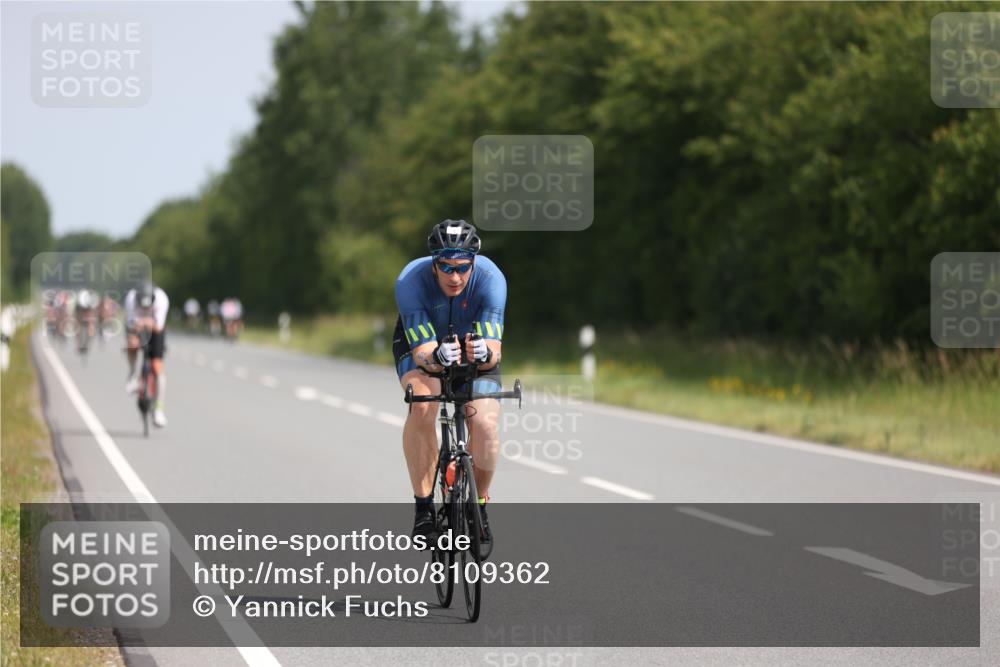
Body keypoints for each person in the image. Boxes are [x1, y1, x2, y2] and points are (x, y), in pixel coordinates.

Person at [394, 219, 506, 552]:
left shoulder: (491, 279)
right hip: (425, 348)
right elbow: (422, 353)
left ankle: (479, 508)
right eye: (445, 267)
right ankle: (424, 509)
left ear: (474, 262)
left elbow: (494, 352)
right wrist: (438, 356)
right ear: (433, 263)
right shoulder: (410, 281)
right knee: (424, 402)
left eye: (462, 268)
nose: (454, 277)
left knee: (485, 425)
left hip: (474, 350)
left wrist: (484, 352)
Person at [124, 281, 170, 427]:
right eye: (142, 307)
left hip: (155, 329)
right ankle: (132, 374)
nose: (145, 309)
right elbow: (131, 324)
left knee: (157, 367)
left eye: (147, 306)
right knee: (131, 344)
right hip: (136, 327)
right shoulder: (131, 299)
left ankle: (159, 410)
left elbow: (158, 328)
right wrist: (139, 328)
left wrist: (147, 322)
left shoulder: (162, 299)